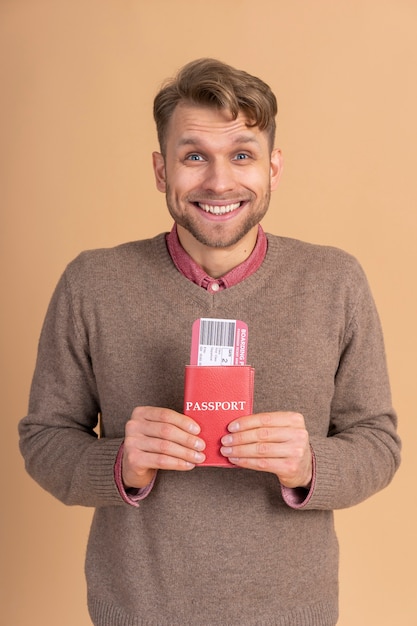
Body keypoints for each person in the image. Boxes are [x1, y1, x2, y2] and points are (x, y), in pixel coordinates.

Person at [19, 58, 401, 626]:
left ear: (273, 167)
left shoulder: (336, 281)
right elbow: (44, 439)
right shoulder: (92, 282)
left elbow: (379, 443)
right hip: (137, 610)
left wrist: (310, 464)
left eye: (241, 155)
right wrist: (118, 461)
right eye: (194, 155)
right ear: (160, 169)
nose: (219, 182)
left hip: (293, 613)